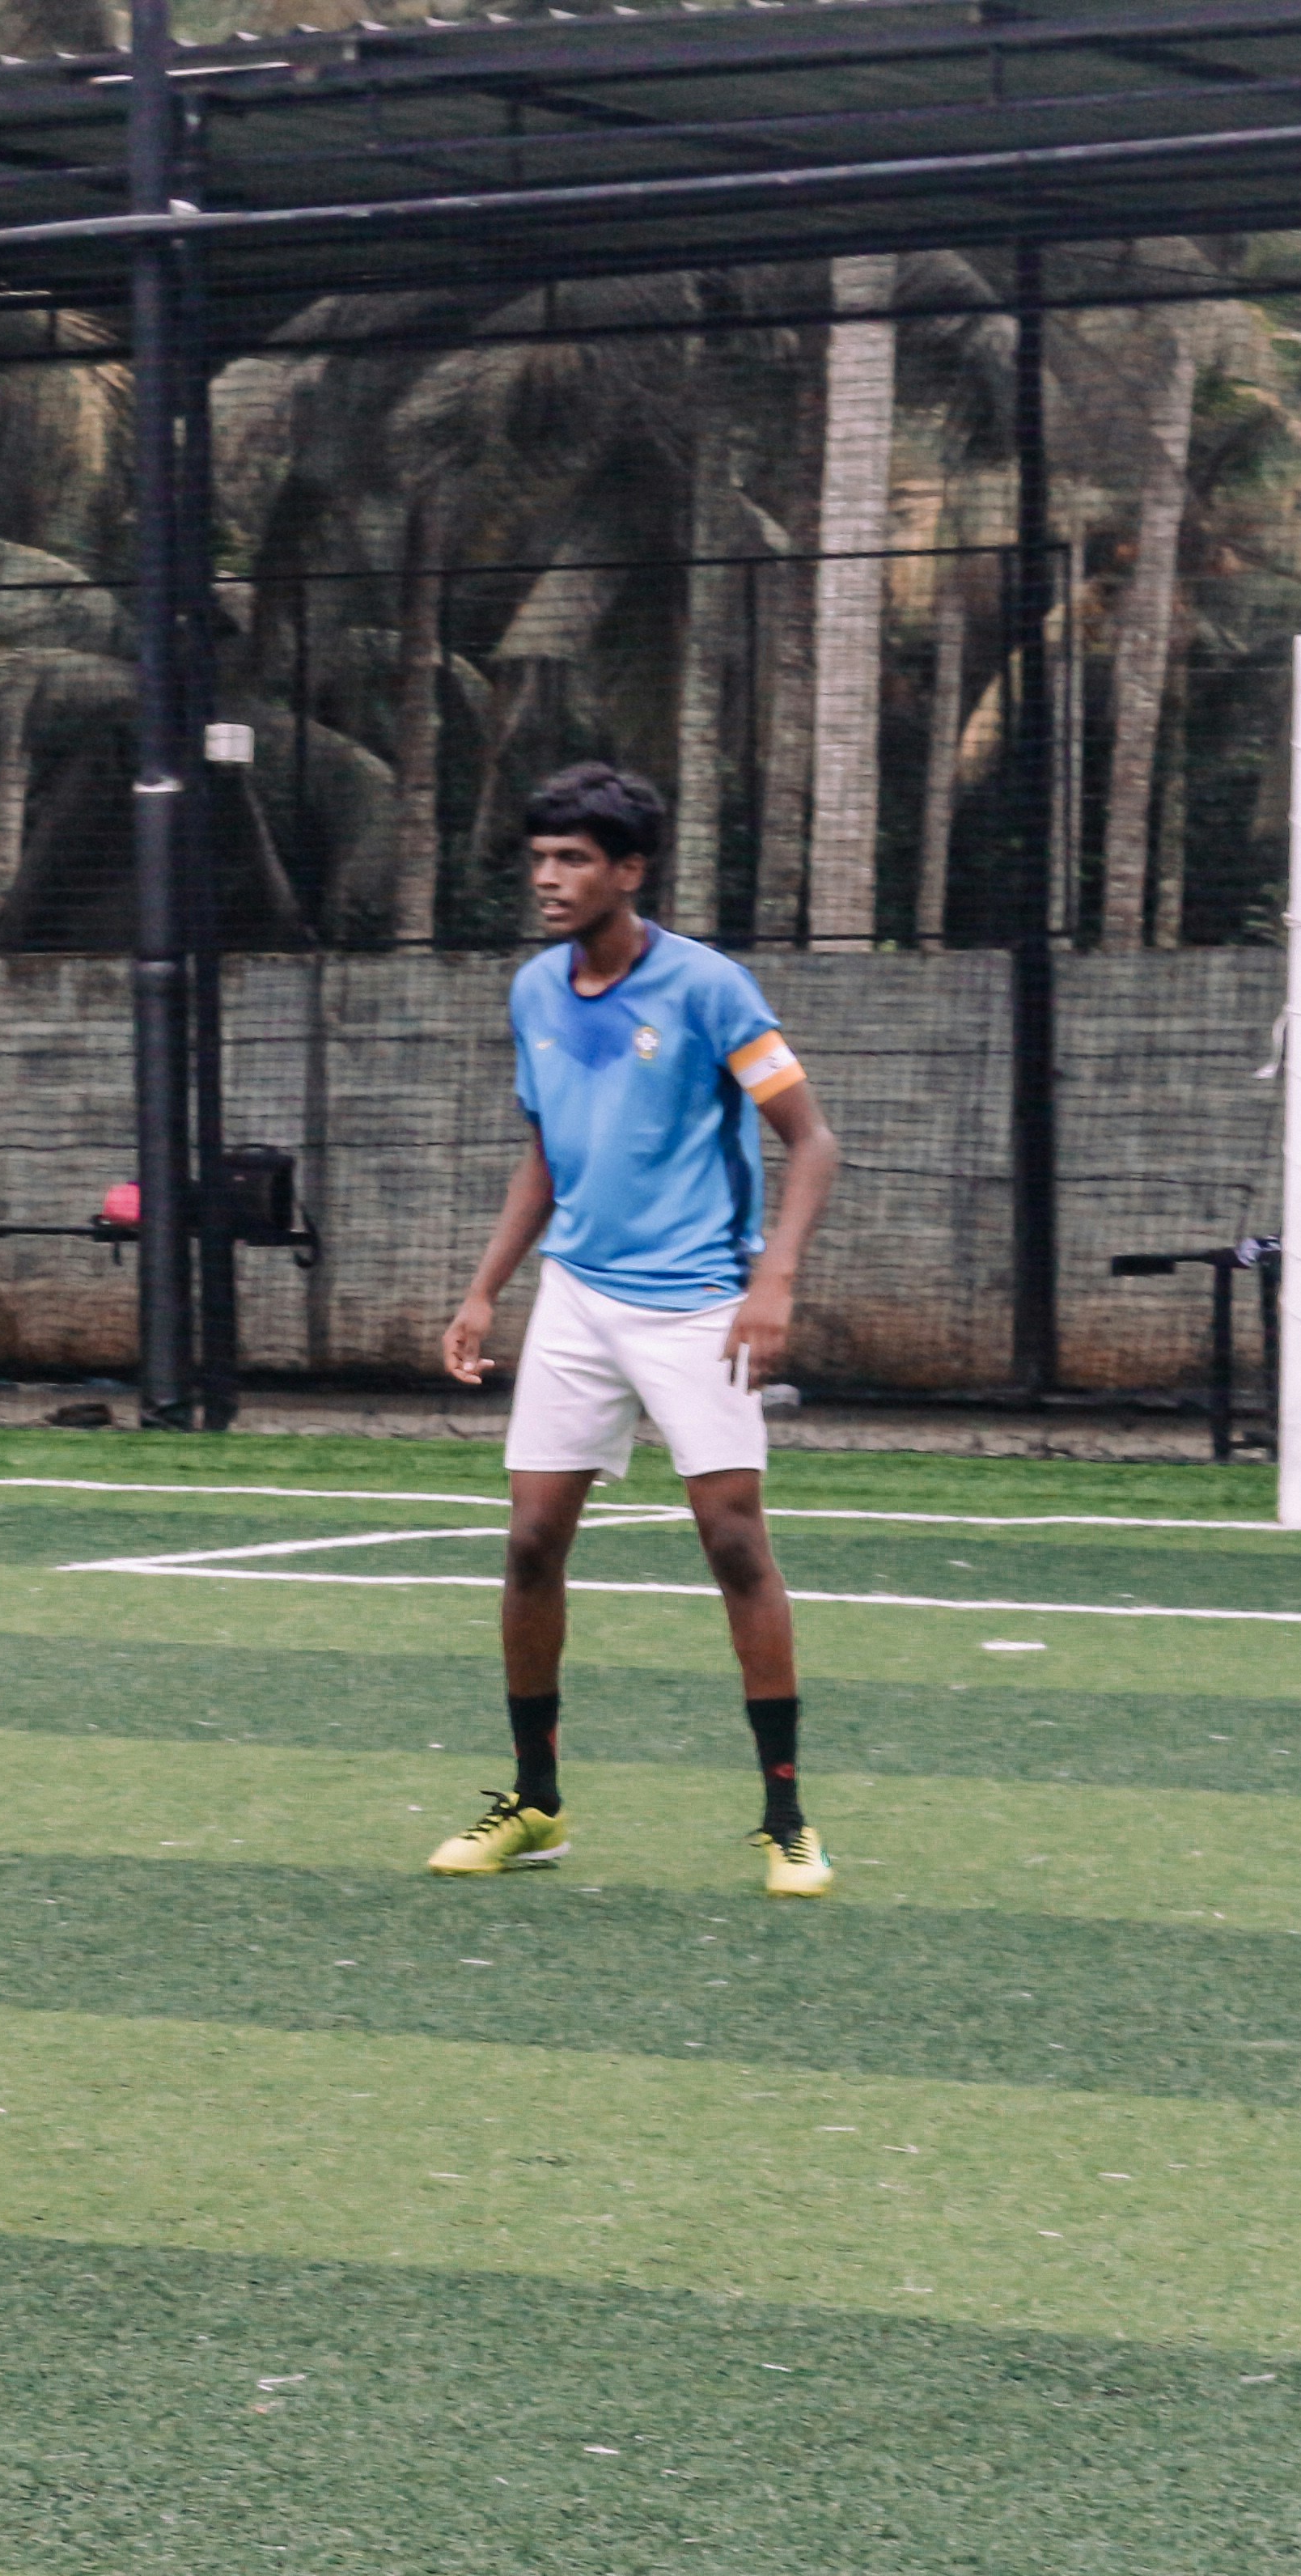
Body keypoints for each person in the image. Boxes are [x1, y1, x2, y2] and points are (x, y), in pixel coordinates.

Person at [430, 763, 846, 1900]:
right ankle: (536, 1803)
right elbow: (546, 1160)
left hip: (701, 1302)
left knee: (732, 1542)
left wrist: (775, 1280)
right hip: (577, 1298)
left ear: (629, 871)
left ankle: (787, 1819)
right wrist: (484, 1293)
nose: (549, 880)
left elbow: (810, 1141)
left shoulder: (710, 989)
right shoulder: (533, 991)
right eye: (539, 860)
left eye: (573, 861)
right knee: (527, 1543)